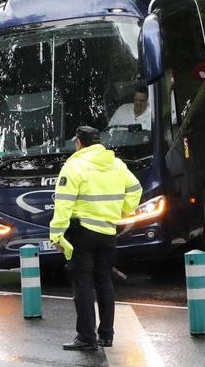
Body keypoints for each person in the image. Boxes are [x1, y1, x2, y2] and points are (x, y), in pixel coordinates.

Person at [47, 124, 141, 352]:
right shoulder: (117, 165)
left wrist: (56, 234)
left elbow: (64, 204)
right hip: (108, 232)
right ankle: (106, 335)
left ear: (79, 142)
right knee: (104, 282)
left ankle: (86, 337)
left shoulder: (74, 166)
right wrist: (122, 211)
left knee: (83, 284)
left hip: (82, 233)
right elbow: (135, 188)